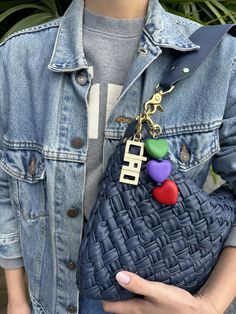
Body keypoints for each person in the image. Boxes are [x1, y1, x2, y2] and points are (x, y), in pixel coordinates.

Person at [0, 0, 236, 313]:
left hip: (165, 299)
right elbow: (7, 182)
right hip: (55, 296)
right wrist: (17, 299)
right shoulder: (18, 57)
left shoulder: (219, 58)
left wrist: (211, 303)